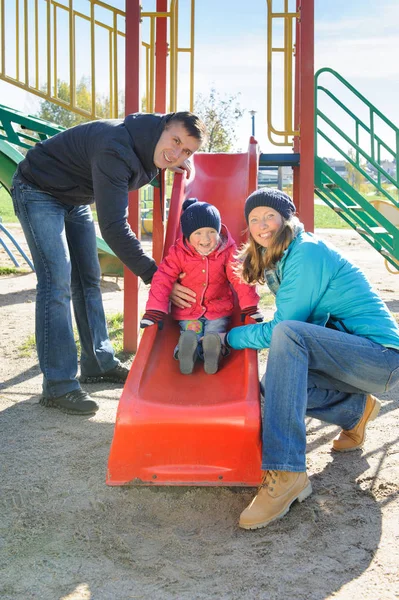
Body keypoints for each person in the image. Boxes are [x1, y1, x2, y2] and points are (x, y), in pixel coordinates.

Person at [223, 187, 399, 530]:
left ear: (286, 219)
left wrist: (229, 337)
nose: (261, 224)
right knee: (273, 386)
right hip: (352, 363)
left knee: (287, 334)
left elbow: (285, 327)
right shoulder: (282, 257)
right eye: (254, 219)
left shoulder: (306, 252)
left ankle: (287, 472)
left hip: (384, 361)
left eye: (269, 215)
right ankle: (355, 410)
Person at [10, 111, 206, 415]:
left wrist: (175, 154)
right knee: (57, 281)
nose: (177, 153)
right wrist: (157, 276)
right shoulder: (115, 148)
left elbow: (166, 154)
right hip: (38, 190)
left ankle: (98, 363)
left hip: (73, 198)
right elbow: (114, 227)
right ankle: (59, 385)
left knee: (89, 278)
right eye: (175, 141)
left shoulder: (149, 145)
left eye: (187, 151)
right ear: (162, 127)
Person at [140, 198, 263, 374]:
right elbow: (163, 278)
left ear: (219, 230)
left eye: (211, 231)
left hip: (218, 309)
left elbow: (239, 276)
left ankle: (212, 352)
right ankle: (186, 352)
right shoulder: (178, 253)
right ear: (187, 235)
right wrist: (154, 310)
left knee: (214, 334)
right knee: (191, 333)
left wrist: (250, 307)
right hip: (188, 309)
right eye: (198, 233)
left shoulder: (227, 251)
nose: (205, 239)